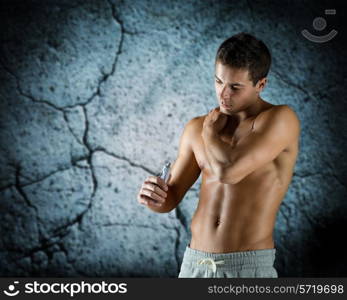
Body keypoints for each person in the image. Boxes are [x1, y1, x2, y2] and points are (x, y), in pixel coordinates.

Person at [137, 32, 300, 278]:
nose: (223, 94)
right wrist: (154, 197)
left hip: (246, 268)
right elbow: (170, 200)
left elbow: (228, 172)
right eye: (218, 81)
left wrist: (211, 135)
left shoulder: (280, 119)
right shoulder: (196, 127)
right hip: (194, 264)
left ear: (261, 84)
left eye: (235, 87)